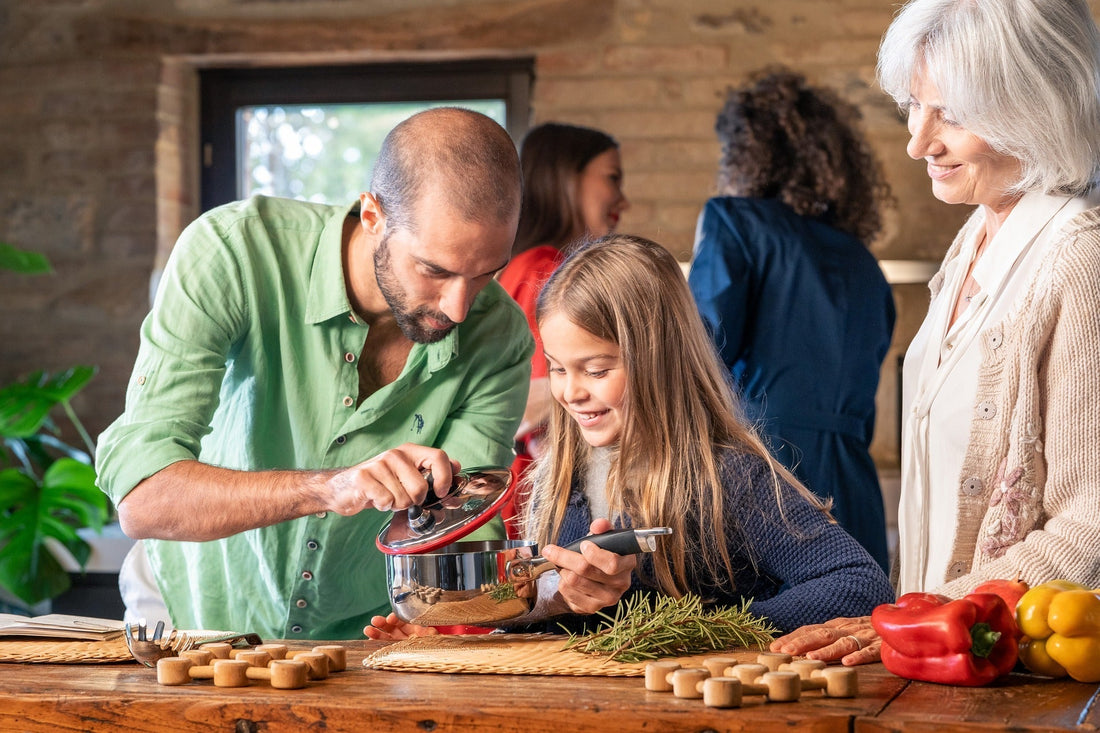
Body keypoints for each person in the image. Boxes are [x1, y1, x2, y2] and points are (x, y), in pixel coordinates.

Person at [95, 107, 536, 640]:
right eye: (434, 270)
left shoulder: (501, 336)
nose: (461, 308)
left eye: (488, 273)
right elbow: (143, 498)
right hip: (188, 612)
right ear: (372, 215)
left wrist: (452, 616)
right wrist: (330, 488)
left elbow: (461, 529)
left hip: (360, 641)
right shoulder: (234, 250)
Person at [772, 0, 1100, 665]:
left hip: (1018, 680)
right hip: (945, 664)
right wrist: (909, 621)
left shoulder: (1079, 258)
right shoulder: (974, 238)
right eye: (915, 107)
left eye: (949, 113)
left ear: (1033, 107)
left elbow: (1090, 525)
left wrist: (918, 617)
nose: (918, 142)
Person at [367, 234, 894, 640]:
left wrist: (693, 634)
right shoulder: (560, 483)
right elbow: (563, 625)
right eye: (556, 368)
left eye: (596, 370)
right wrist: (454, 633)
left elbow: (856, 581)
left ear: (660, 361)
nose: (570, 393)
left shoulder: (728, 476)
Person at [687, 69, 895, 571]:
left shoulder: (735, 221)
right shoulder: (863, 261)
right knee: (854, 636)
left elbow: (698, 350)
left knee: (750, 642)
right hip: (854, 482)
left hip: (766, 470)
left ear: (744, 155)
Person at [496, 122, 629, 532]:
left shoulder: (525, 266)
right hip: (538, 506)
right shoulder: (548, 273)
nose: (623, 199)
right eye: (612, 178)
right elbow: (527, 407)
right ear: (566, 179)